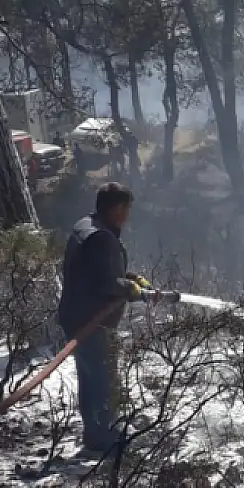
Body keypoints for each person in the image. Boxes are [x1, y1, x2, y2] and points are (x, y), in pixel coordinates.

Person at [57, 182, 160, 458]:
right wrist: (130, 289)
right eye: (126, 207)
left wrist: (131, 278)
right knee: (102, 379)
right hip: (91, 321)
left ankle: (97, 433)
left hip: (79, 316)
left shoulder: (86, 226)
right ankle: (104, 440)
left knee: (91, 377)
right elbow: (105, 282)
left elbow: (95, 272)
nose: (128, 213)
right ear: (115, 208)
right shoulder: (100, 237)